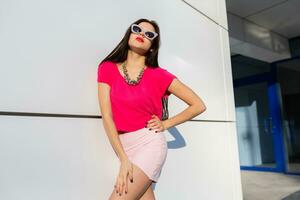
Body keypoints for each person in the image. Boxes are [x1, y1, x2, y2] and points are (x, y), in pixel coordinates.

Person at [97, 18, 206, 200]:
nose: (141, 34)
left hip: (149, 144)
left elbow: (198, 105)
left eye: (149, 34)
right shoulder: (107, 68)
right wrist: (123, 158)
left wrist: (166, 124)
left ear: (152, 46)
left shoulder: (160, 75)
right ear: (129, 34)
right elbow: (107, 116)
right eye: (137, 29)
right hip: (123, 146)